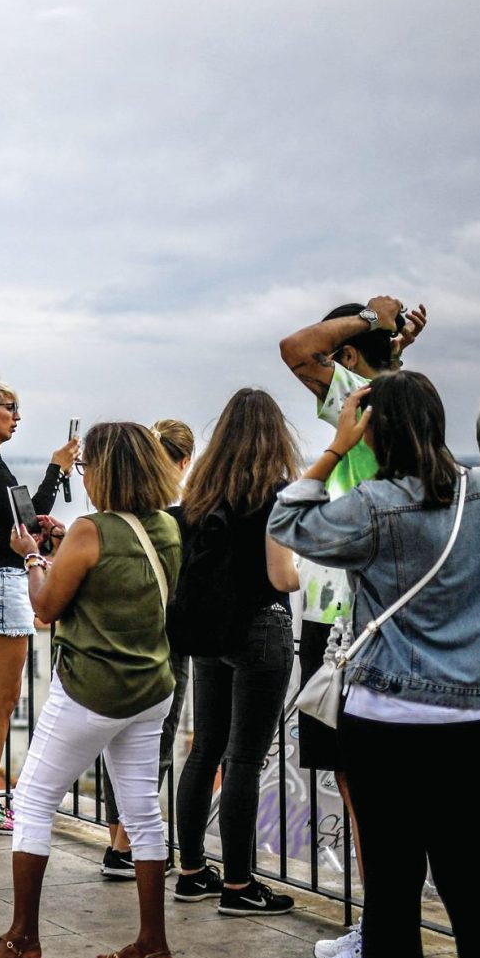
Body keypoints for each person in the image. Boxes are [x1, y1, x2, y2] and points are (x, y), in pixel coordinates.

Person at [270, 372, 480, 958]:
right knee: (475, 899)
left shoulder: (373, 504)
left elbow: (286, 522)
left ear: (377, 430)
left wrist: (335, 448)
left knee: (391, 900)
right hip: (474, 727)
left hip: (385, 724)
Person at [0, 423, 181, 958]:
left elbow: (45, 608)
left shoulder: (91, 529)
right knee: (142, 812)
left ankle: (21, 939)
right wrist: (64, 551)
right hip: (151, 688)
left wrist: (35, 556)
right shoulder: (167, 529)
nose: (84, 477)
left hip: (92, 689)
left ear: (107, 470)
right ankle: (152, 943)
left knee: (33, 801)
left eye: (87, 469)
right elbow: (121, 588)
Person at [277, 294, 427, 958]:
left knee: (368, 791)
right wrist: (391, 343)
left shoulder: (358, 396)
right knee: (365, 788)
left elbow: (293, 346)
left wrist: (372, 319)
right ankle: (376, 929)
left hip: (348, 616)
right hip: (362, 612)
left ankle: (381, 945)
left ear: (344, 361)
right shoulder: (389, 401)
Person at [169, 390, 302, 915]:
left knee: (205, 751)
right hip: (261, 631)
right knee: (244, 759)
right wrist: (303, 570)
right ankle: (241, 886)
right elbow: (280, 575)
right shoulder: (276, 494)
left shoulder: (201, 494)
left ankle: (192, 871)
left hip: (210, 635)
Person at [0, 381, 75, 835]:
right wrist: (56, 469)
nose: (17, 416)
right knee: (0, 703)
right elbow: (24, 519)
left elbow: (23, 522)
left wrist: (38, 527)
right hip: (0, 584)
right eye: (10, 408)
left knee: (2, 701)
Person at [103, 419, 193, 876]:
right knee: (154, 741)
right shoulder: (177, 519)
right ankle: (125, 848)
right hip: (169, 640)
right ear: (183, 462)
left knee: (119, 741)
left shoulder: (128, 516)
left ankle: (117, 839)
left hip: (125, 638)